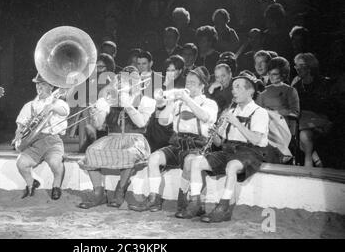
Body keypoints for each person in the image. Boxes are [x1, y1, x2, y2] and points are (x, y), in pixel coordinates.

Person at [128, 67, 218, 217]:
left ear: (203, 85)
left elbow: (205, 118)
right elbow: (163, 121)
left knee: (190, 161)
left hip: (198, 145)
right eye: (187, 82)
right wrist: (167, 102)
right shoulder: (179, 103)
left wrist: (186, 99)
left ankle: (185, 200)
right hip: (178, 143)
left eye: (193, 83)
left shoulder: (209, 103)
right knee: (154, 158)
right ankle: (153, 198)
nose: (188, 85)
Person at [188, 71, 269, 223]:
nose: (233, 91)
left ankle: (223, 208)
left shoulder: (260, 112)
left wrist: (236, 122)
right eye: (233, 88)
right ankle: (195, 204)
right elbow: (221, 143)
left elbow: (256, 139)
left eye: (238, 87)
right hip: (229, 150)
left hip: (250, 152)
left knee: (231, 166)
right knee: (196, 162)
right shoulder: (231, 111)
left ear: (250, 91)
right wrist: (215, 134)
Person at [77, 66, 156, 209]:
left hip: (134, 139)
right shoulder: (111, 100)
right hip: (112, 138)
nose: (125, 84)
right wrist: (98, 110)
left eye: (131, 81)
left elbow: (141, 122)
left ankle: (120, 191)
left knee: (128, 153)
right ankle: (98, 194)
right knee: (91, 151)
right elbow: (98, 125)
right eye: (123, 81)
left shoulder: (146, 101)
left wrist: (128, 105)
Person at [15, 73, 70, 199]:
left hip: (53, 142)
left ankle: (56, 186)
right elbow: (20, 125)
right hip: (34, 143)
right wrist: (18, 133)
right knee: (21, 163)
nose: (39, 87)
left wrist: (52, 107)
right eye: (37, 84)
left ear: (51, 86)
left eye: (43, 84)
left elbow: (65, 111)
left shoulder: (58, 102)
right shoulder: (29, 106)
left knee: (55, 163)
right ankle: (31, 184)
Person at [291, 53, 332, 167]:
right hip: (304, 123)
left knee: (295, 126)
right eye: (296, 66)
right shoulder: (296, 86)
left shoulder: (324, 83)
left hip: (319, 119)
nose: (297, 69)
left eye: (301, 65)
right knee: (304, 135)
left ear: (309, 67)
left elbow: (328, 106)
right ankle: (316, 161)